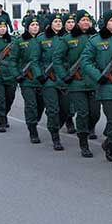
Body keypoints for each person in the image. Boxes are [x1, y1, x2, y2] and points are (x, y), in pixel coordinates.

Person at [81, 10, 112, 169]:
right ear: (105, 23)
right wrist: (98, 76)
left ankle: (109, 142)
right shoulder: (95, 41)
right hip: (107, 86)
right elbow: (86, 61)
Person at [53, 10, 101, 158]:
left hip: (93, 82)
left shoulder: (97, 38)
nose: (86, 22)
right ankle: (83, 143)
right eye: (83, 20)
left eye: (88, 20)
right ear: (78, 22)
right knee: (83, 113)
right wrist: (64, 76)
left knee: (95, 114)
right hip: (76, 82)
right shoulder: (68, 39)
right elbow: (57, 59)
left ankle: (89, 129)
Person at [30, 13, 69, 151]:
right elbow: (34, 61)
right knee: (53, 109)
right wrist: (40, 75)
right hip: (48, 80)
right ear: (50, 24)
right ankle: (55, 137)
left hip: (63, 78)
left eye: (60, 21)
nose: (58, 23)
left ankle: (56, 126)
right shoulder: (41, 39)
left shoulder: (66, 38)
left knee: (67, 110)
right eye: (55, 21)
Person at [11, 16, 45, 144]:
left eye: (37, 24)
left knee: (41, 105)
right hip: (27, 79)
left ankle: (34, 120)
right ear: (27, 27)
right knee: (31, 104)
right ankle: (32, 130)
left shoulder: (43, 40)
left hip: (41, 78)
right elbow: (12, 60)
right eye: (32, 25)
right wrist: (16, 74)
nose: (35, 27)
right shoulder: (20, 41)